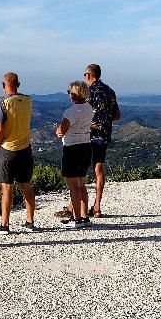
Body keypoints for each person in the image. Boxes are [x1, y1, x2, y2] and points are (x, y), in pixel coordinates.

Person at [0, 72, 38, 235]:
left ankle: (5, 224)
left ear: (3, 85)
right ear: (19, 84)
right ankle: (30, 221)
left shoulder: (3, 102)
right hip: (25, 147)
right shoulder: (28, 100)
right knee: (26, 184)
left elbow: (0, 127)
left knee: (7, 188)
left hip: (7, 148)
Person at [84, 63, 121, 218]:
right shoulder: (110, 91)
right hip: (104, 135)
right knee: (99, 169)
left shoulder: (87, 92)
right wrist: (105, 120)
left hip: (87, 134)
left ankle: (75, 208)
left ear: (88, 75)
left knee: (80, 171)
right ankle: (97, 207)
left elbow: (81, 113)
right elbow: (117, 115)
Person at [57, 81, 96, 228]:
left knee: (73, 186)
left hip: (72, 148)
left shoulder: (71, 111)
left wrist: (58, 131)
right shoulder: (88, 108)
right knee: (82, 184)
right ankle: (84, 217)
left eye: (70, 92)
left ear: (74, 94)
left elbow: (62, 130)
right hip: (86, 146)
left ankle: (76, 218)